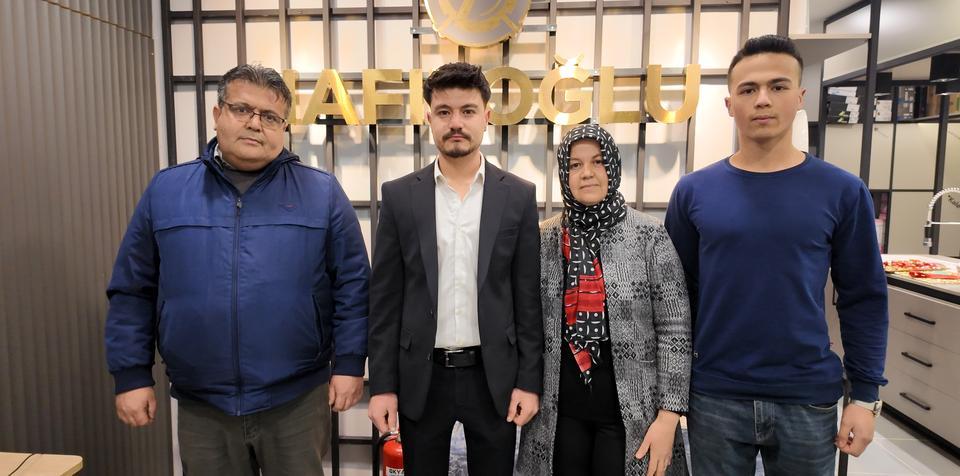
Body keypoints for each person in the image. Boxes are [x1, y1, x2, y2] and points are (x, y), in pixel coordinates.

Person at [105, 64, 370, 475]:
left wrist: (351, 364)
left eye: (270, 116)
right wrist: (131, 374)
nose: (255, 123)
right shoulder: (167, 190)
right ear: (218, 114)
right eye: (242, 109)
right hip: (202, 402)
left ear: (283, 128)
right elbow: (133, 289)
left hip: (295, 399)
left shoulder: (321, 192)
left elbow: (353, 285)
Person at [664, 35, 889, 475]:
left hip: (806, 396)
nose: (762, 100)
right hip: (715, 394)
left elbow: (863, 296)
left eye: (777, 86)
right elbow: (674, 300)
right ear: (730, 104)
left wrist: (864, 397)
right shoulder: (693, 192)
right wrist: (670, 393)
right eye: (748, 89)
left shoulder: (842, 191)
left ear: (799, 97)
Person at [367, 62, 543, 475]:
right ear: (429, 117)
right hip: (421, 378)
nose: (456, 123)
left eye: (467, 111)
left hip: (493, 378)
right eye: (444, 112)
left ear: (487, 116)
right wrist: (382, 386)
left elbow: (528, 299)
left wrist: (529, 381)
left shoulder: (518, 196)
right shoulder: (399, 197)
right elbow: (385, 301)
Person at [515, 124, 692, 476]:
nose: (587, 173)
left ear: (613, 167)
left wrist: (669, 415)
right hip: (559, 411)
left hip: (633, 410)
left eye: (597, 162)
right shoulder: (545, 237)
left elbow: (675, 329)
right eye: (575, 165)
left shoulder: (648, 235)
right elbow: (526, 321)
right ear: (564, 174)